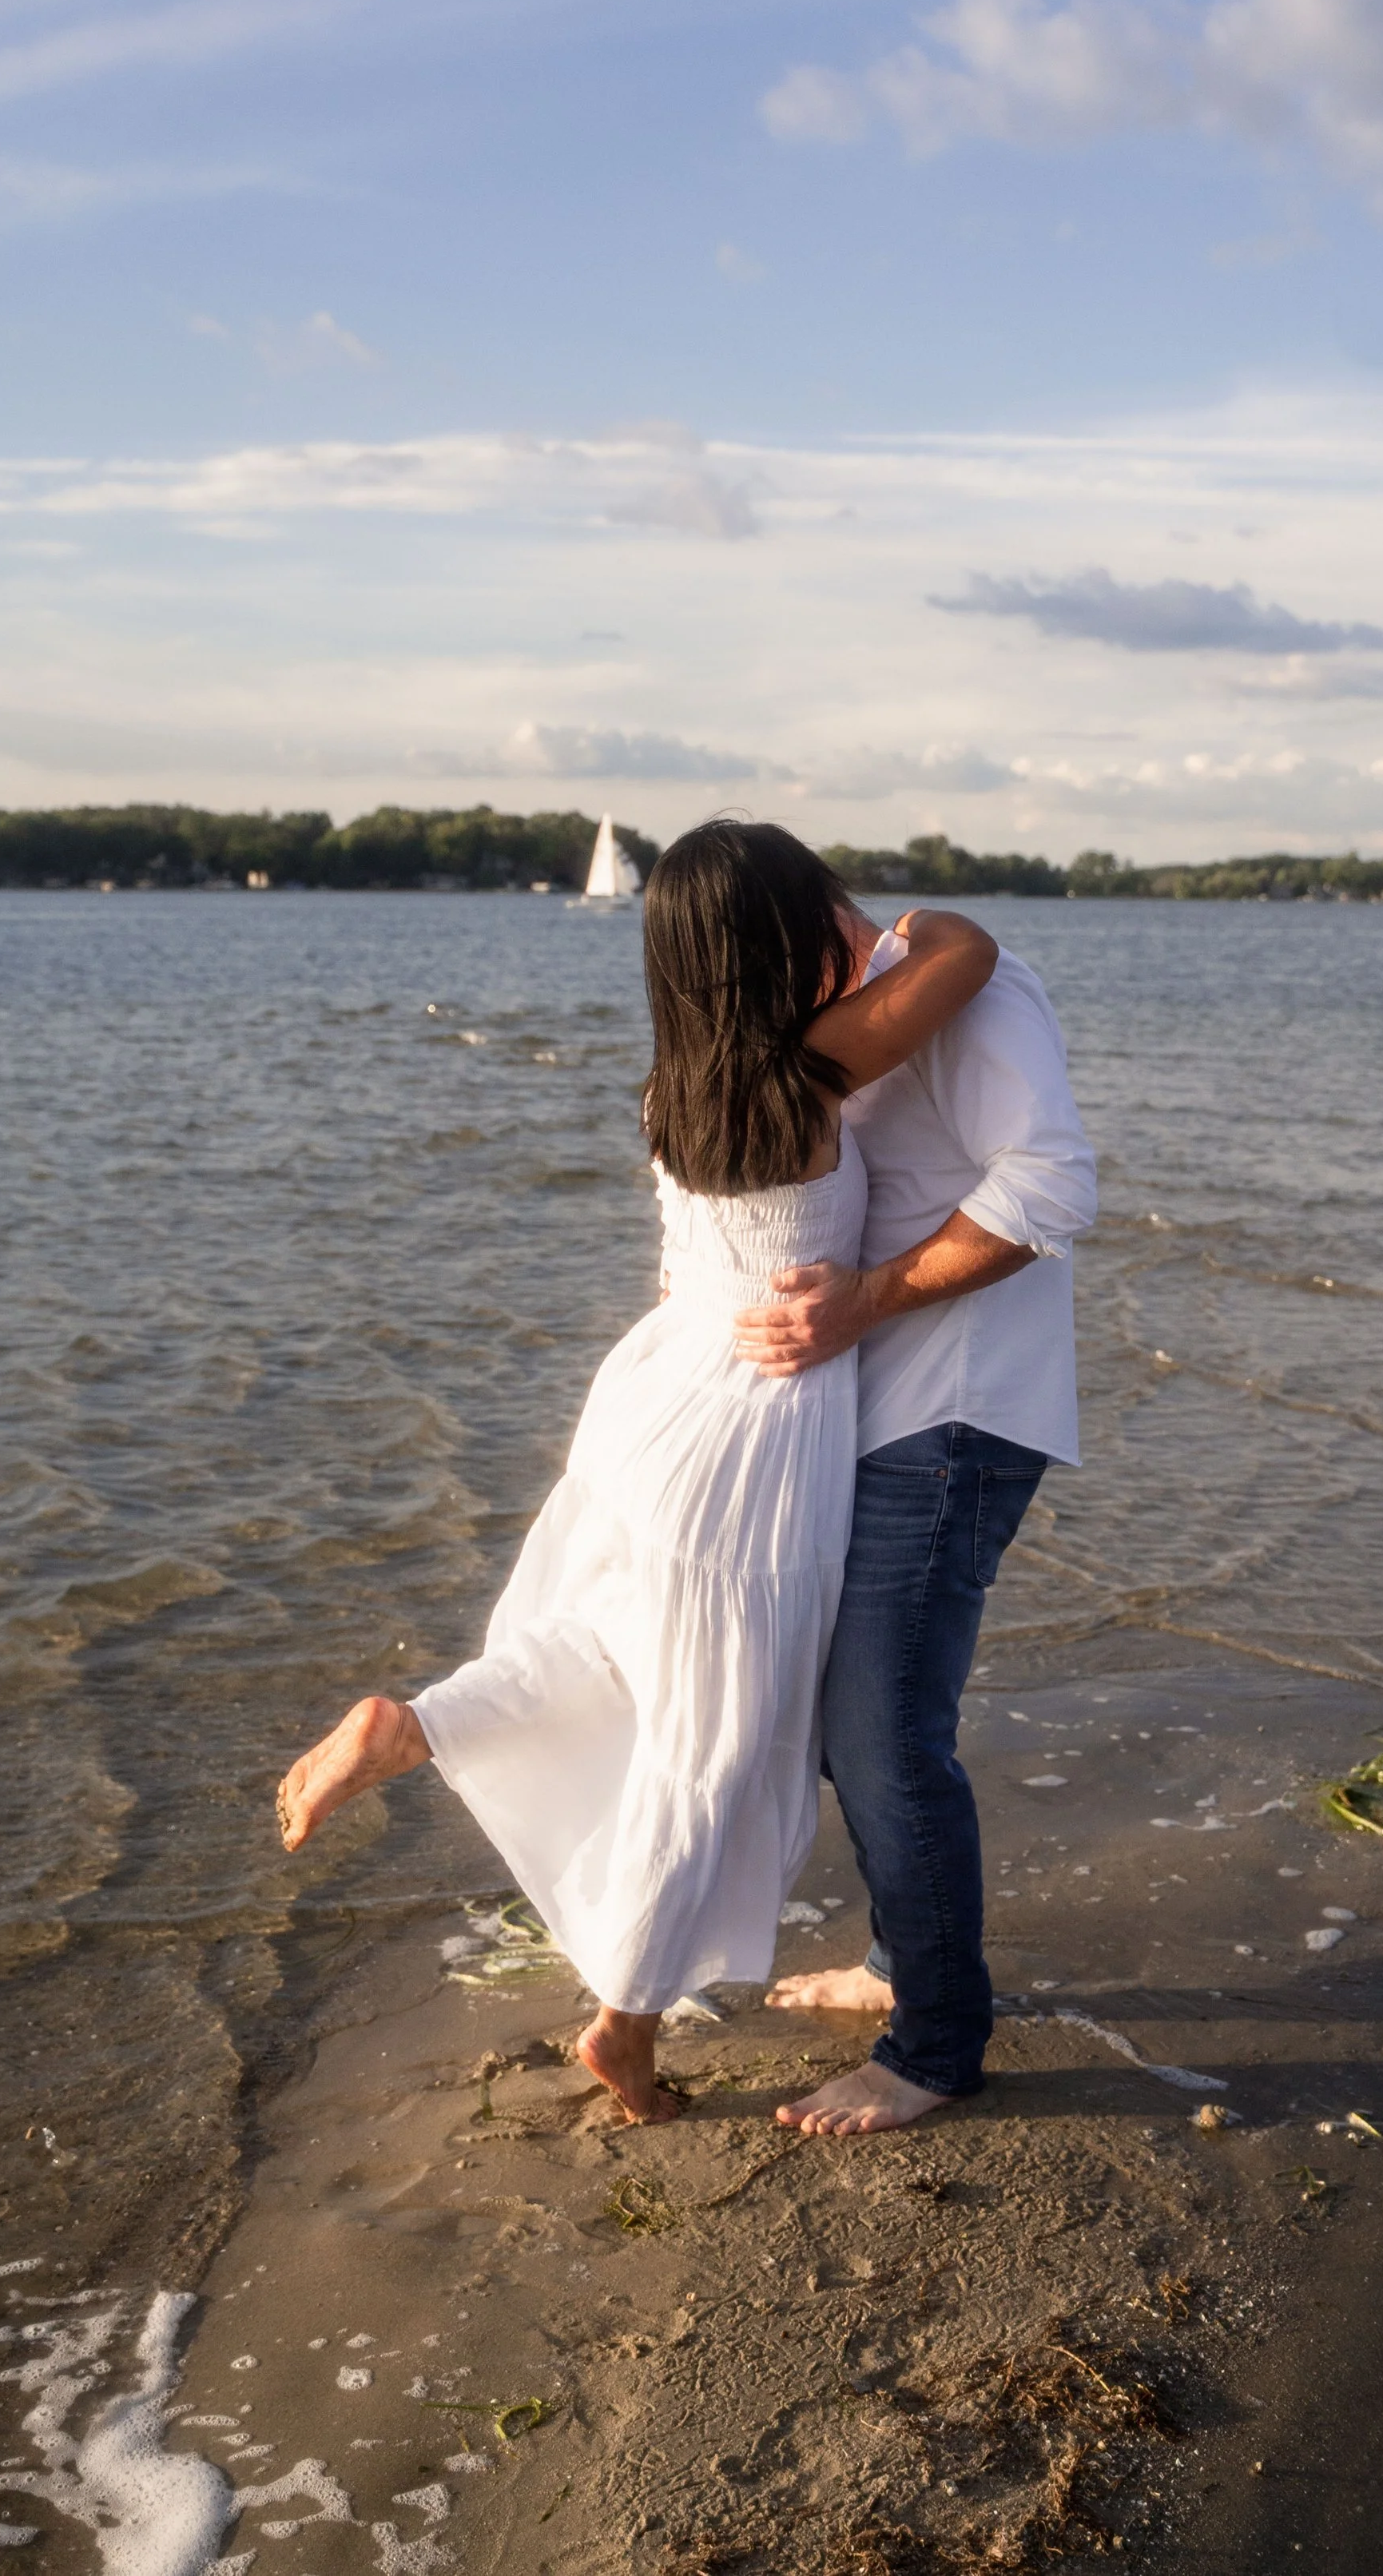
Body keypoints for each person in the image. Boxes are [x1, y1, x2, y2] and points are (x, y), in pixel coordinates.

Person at [273, 822, 998, 2125]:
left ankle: (420, 1723)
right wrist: (900, 928)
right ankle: (625, 2024)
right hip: (753, 1444)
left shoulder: (676, 1087)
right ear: (783, 941)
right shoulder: (816, 1069)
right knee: (709, 1745)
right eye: (823, 908)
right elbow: (967, 950)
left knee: (610, 1649)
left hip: (652, 1405)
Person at [740, 892, 1097, 2137]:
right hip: (887, 1413)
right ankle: (904, 1968)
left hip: (959, 1416)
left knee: (887, 1732)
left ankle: (935, 2046)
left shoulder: (970, 992)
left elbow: (1053, 1184)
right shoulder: (882, 1004)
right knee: (857, 1725)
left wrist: (866, 1300)